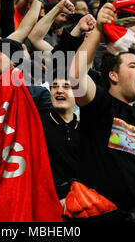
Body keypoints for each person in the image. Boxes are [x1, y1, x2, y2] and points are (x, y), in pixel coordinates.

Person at [68, 2, 135, 219]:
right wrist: (98, 30)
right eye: (133, 66)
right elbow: (75, 77)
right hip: (97, 215)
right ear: (113, 75)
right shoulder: (100, 106)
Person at [40, 75, 80, 204]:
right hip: (45, 203)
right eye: (55, 86)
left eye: (66, 87)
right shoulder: (37, 124)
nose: (59, 90)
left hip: (79, 204)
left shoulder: (85, 132)